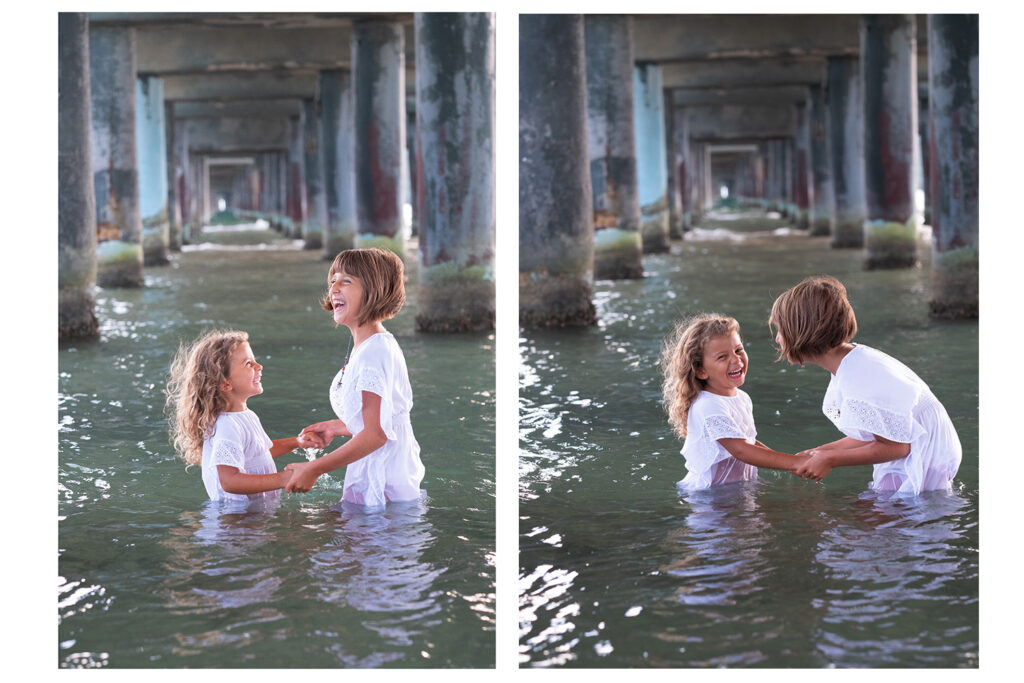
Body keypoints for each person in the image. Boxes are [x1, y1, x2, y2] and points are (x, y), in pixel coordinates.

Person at [769, 275, 962, 494]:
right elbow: (875, 434)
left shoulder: (858, 376)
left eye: (780, 330)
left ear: (801, 332)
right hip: (926, 447)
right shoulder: (852, 362)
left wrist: (831, 459)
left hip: (922, 453)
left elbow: (898, 446)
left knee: (872, 523)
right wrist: (819, 452)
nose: (777, 339)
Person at [286, 248, 425, 507]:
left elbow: (376, 435)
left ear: (373, 290)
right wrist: (337, 427)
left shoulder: (374, 351)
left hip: (383, 487)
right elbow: (382, 419)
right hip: (379, 478)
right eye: (332, 281)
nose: (334, 288)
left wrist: (314, 469)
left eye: (346, 281)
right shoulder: (369, 346)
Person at [166, 329, 324, 503]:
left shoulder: (245, 416)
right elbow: (229, 481)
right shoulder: (227, 425)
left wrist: (297, 442)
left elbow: (257, 453)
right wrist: (284, 478)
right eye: (249, 364)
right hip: (237, 521)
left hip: (253, 515)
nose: (259, 366)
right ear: (225, 383)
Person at [662, 313, 807, 489]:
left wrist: (790, 462)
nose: (736, 359)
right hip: (709, 496)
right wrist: (795, 463)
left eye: (738, 350)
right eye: (722, 357)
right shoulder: (708, 405)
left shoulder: (742, 397)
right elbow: (741, 450)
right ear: (700, 371)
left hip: (738, 488)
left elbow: (748, 442)